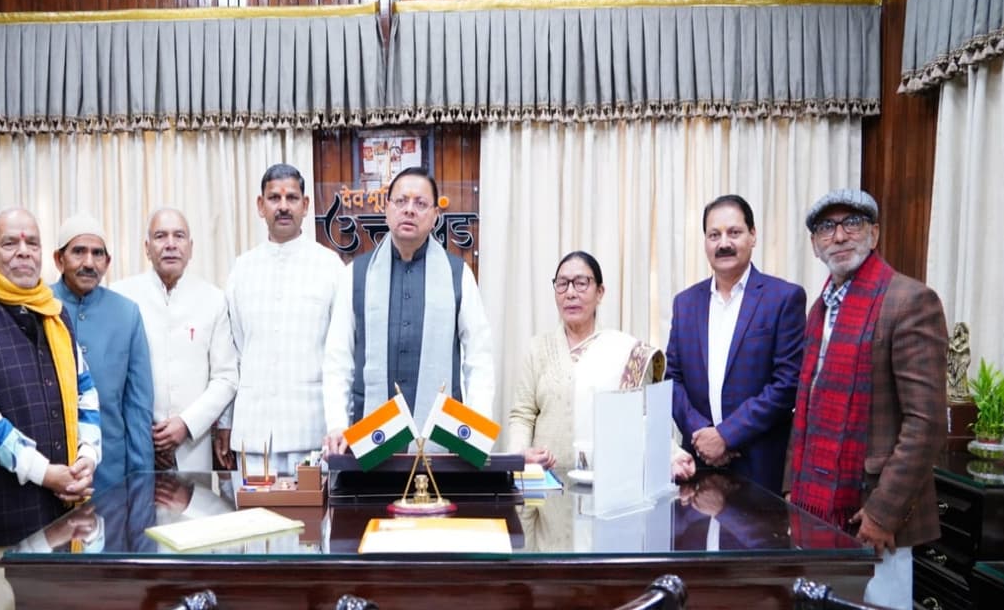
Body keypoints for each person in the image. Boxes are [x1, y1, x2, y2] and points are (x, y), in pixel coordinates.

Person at [790, 189, 947, 610]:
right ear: (815, 244)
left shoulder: (910, 301)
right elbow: (807, 407)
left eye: (852, 223)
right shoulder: (821, 307)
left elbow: (927, 424)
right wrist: (793, 490)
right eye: (826, 227)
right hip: (818, 510)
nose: (839, 236)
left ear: (874, 234)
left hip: (875, 519)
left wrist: (882, 513)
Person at [0, 207, 102, 610]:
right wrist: (44, 472)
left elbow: (86, 394)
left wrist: (87, 457)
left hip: (63, 517)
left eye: (31, 242)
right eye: (10, 242)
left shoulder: (55, 313)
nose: (23, 252)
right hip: (0, 525)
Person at [322, 167, 494, 454]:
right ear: (386, 209)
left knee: (439, 500)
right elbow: (337, 359)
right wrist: (337, 424)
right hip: (369, 435)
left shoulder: (458, 274)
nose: (410, 210)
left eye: (421, 203)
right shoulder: (355, 274)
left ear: (435, 216)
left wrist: (476, 426)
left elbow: (479, 358)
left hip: (443, 437)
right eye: (401, 201)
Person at [507, 251, 695, 481]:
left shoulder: (627, 353)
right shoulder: (537, 350)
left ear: (600, 292)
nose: (571, 293)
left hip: (610, 487)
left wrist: (672, 456)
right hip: (547, 487)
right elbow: (522, 415)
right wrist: (520, 455)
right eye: (562, 284)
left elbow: (645, 417)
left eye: (581, 283)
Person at [665, 195, 806, 493]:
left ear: (753, 236)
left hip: (759, 467)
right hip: (697, 467)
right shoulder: (686, 303)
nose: (723, 243)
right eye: (714, 235)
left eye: (734, 232)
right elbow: (672, 379)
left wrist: (726, 436)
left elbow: (787, 384)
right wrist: (702, 435)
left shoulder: (783, 298)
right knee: (697, 541)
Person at [226, 164, 342, 474]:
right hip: (253, 436)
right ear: (260, 206)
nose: (283, 206)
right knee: (254, 523)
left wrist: (341, 424)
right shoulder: (242, 269)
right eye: (274, 198)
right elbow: (235, 350)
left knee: (313, 522)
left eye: (292, 197)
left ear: (305, 205)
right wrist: (224, 424)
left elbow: (341, 355)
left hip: (312, 435)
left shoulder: (330, 267)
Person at [113, 208, 239, 472]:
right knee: (135, 512)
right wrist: (142, 430)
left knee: (195, 512)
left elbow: (226, 377)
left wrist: (186, 424)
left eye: (178, 236)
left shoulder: (213, 299)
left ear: (190, 248)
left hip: (192, 444)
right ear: (147, 248)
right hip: (134, 443)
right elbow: (113, 377)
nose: (170, 244)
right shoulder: (121, 296)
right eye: (161, 236)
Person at [50, 214, 154, 495]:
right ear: (59, 259)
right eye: (78, 252)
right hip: (49, 472)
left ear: (107, 263)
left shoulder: (127, 313)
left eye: (98, 254)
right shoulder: (38, 306)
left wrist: (142, 482)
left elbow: (137, 408)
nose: (88, 263)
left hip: (110, 473)